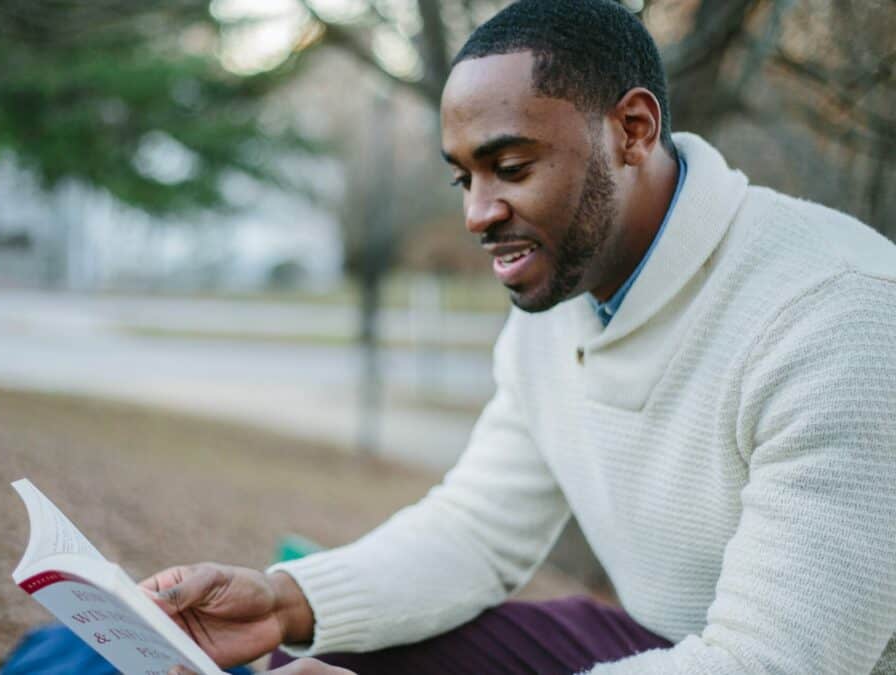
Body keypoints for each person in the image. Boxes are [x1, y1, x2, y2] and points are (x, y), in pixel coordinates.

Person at [143, 1, 896, 673]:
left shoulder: (837, 315)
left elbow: (770, 661)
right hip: (660, 640)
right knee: (340, 651)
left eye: (509, 167)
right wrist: (283, 601)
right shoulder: (565, 291)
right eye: (464, 178)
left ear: (632, 131)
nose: (477, 212)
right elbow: (476, 530)